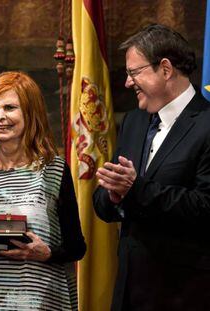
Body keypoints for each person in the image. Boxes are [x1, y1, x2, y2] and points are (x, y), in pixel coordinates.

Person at [93, 24, 210, 311]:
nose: (128, 83)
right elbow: (105, 198)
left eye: (134, 73)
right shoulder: (134, 122)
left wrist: (135, 189)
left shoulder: (207, 124)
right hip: (129, 291)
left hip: (185, 293)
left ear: (166, 69)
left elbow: (206, 206)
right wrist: (113, 195)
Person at [0, 71, 86, 310]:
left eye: (10, 108)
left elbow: (76, 246)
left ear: (30, 113)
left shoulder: (54, 170)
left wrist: (46, 253)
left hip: (39, 300)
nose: (0, 116)